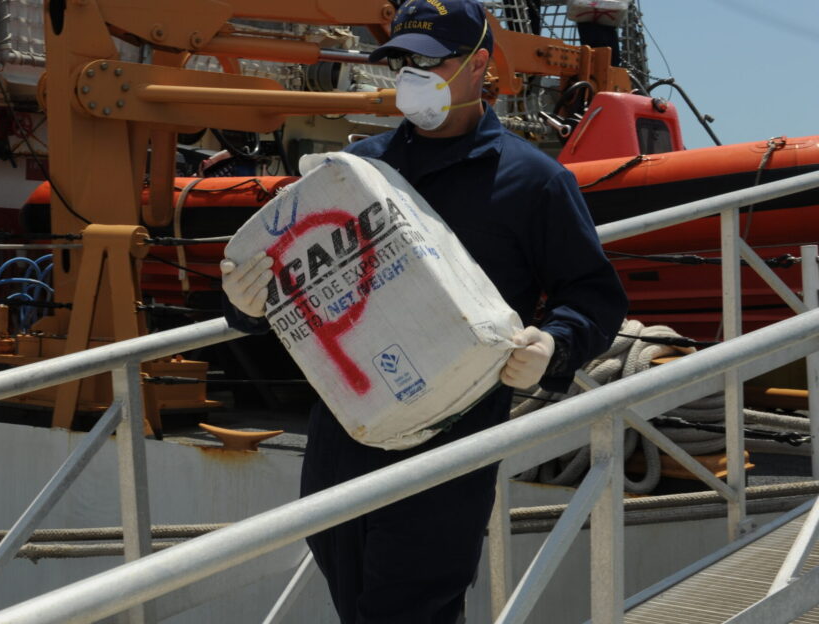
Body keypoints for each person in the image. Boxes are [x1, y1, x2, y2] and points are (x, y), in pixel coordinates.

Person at [219, 0, 628, 622]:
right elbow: (292, 286)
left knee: (411, 605)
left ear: (478, 66)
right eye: (401, 59)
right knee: (353, 596)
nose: (410, 73)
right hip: (343, 431)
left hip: (450, 434)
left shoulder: (533, 182)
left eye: (429, 62)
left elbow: (594, 294)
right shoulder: (353, 173)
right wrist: (246, 306)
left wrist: (554, 346)